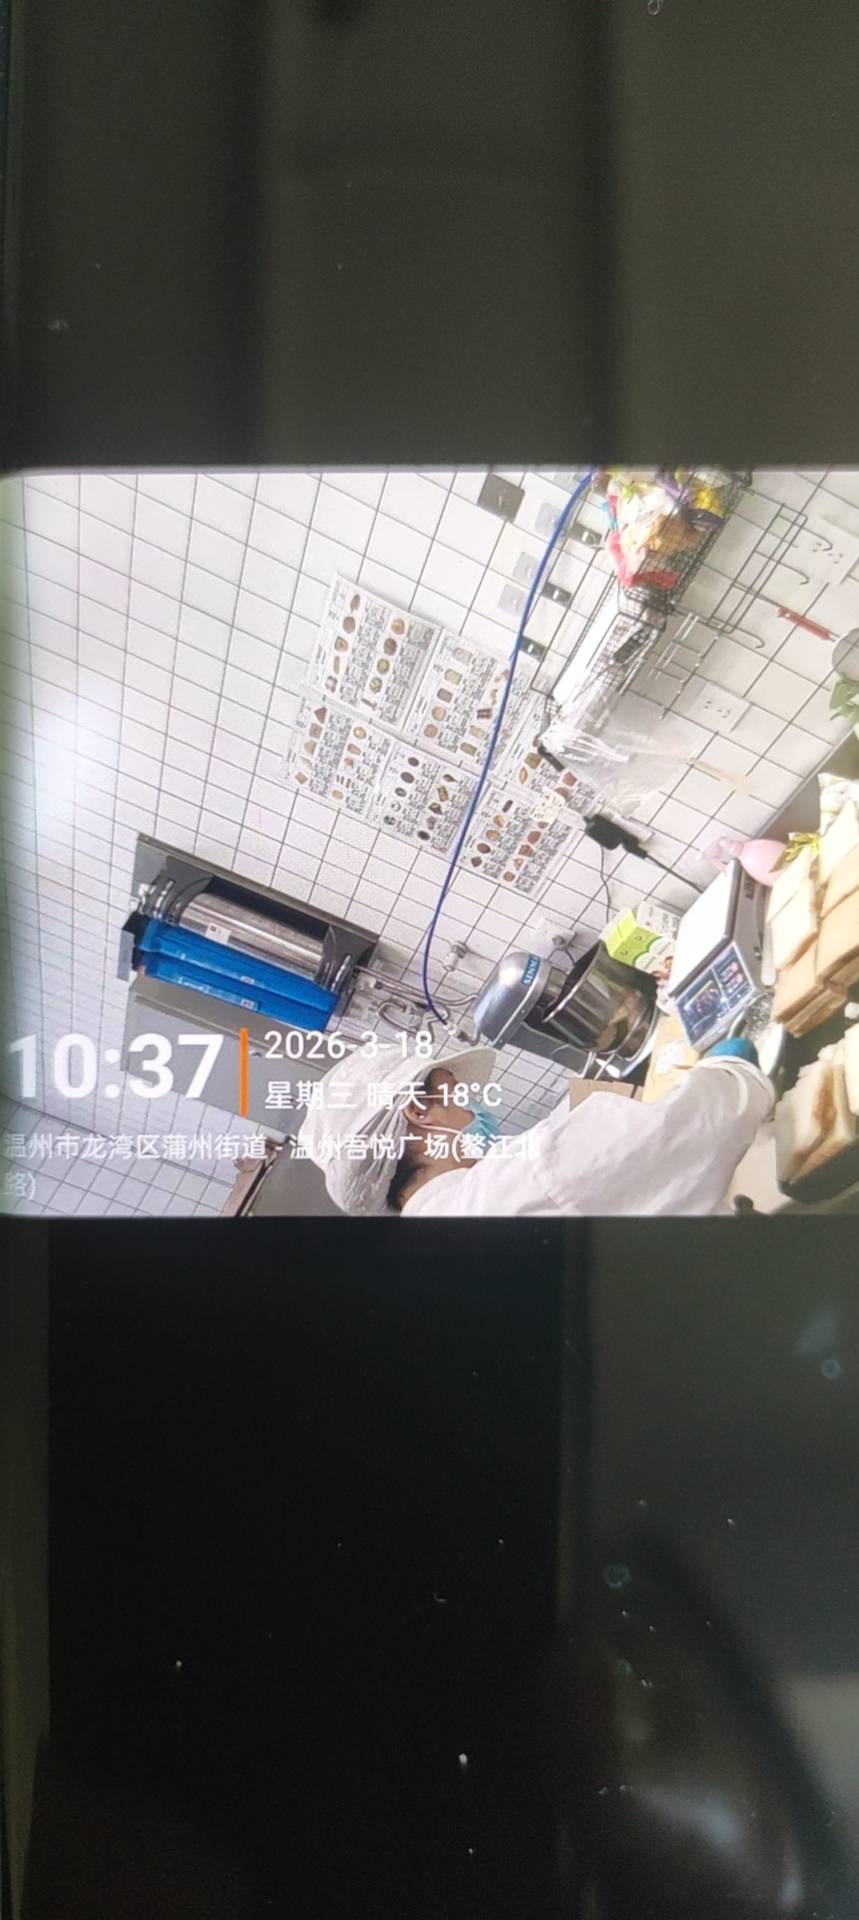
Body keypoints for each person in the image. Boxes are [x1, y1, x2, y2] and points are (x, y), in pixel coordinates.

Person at [298, 1029, 774, 1218]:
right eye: (452, 1088)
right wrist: (732, 1069)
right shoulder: (519, 1179)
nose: (469, 1102)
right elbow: (694, 1125)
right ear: (420, 1113)